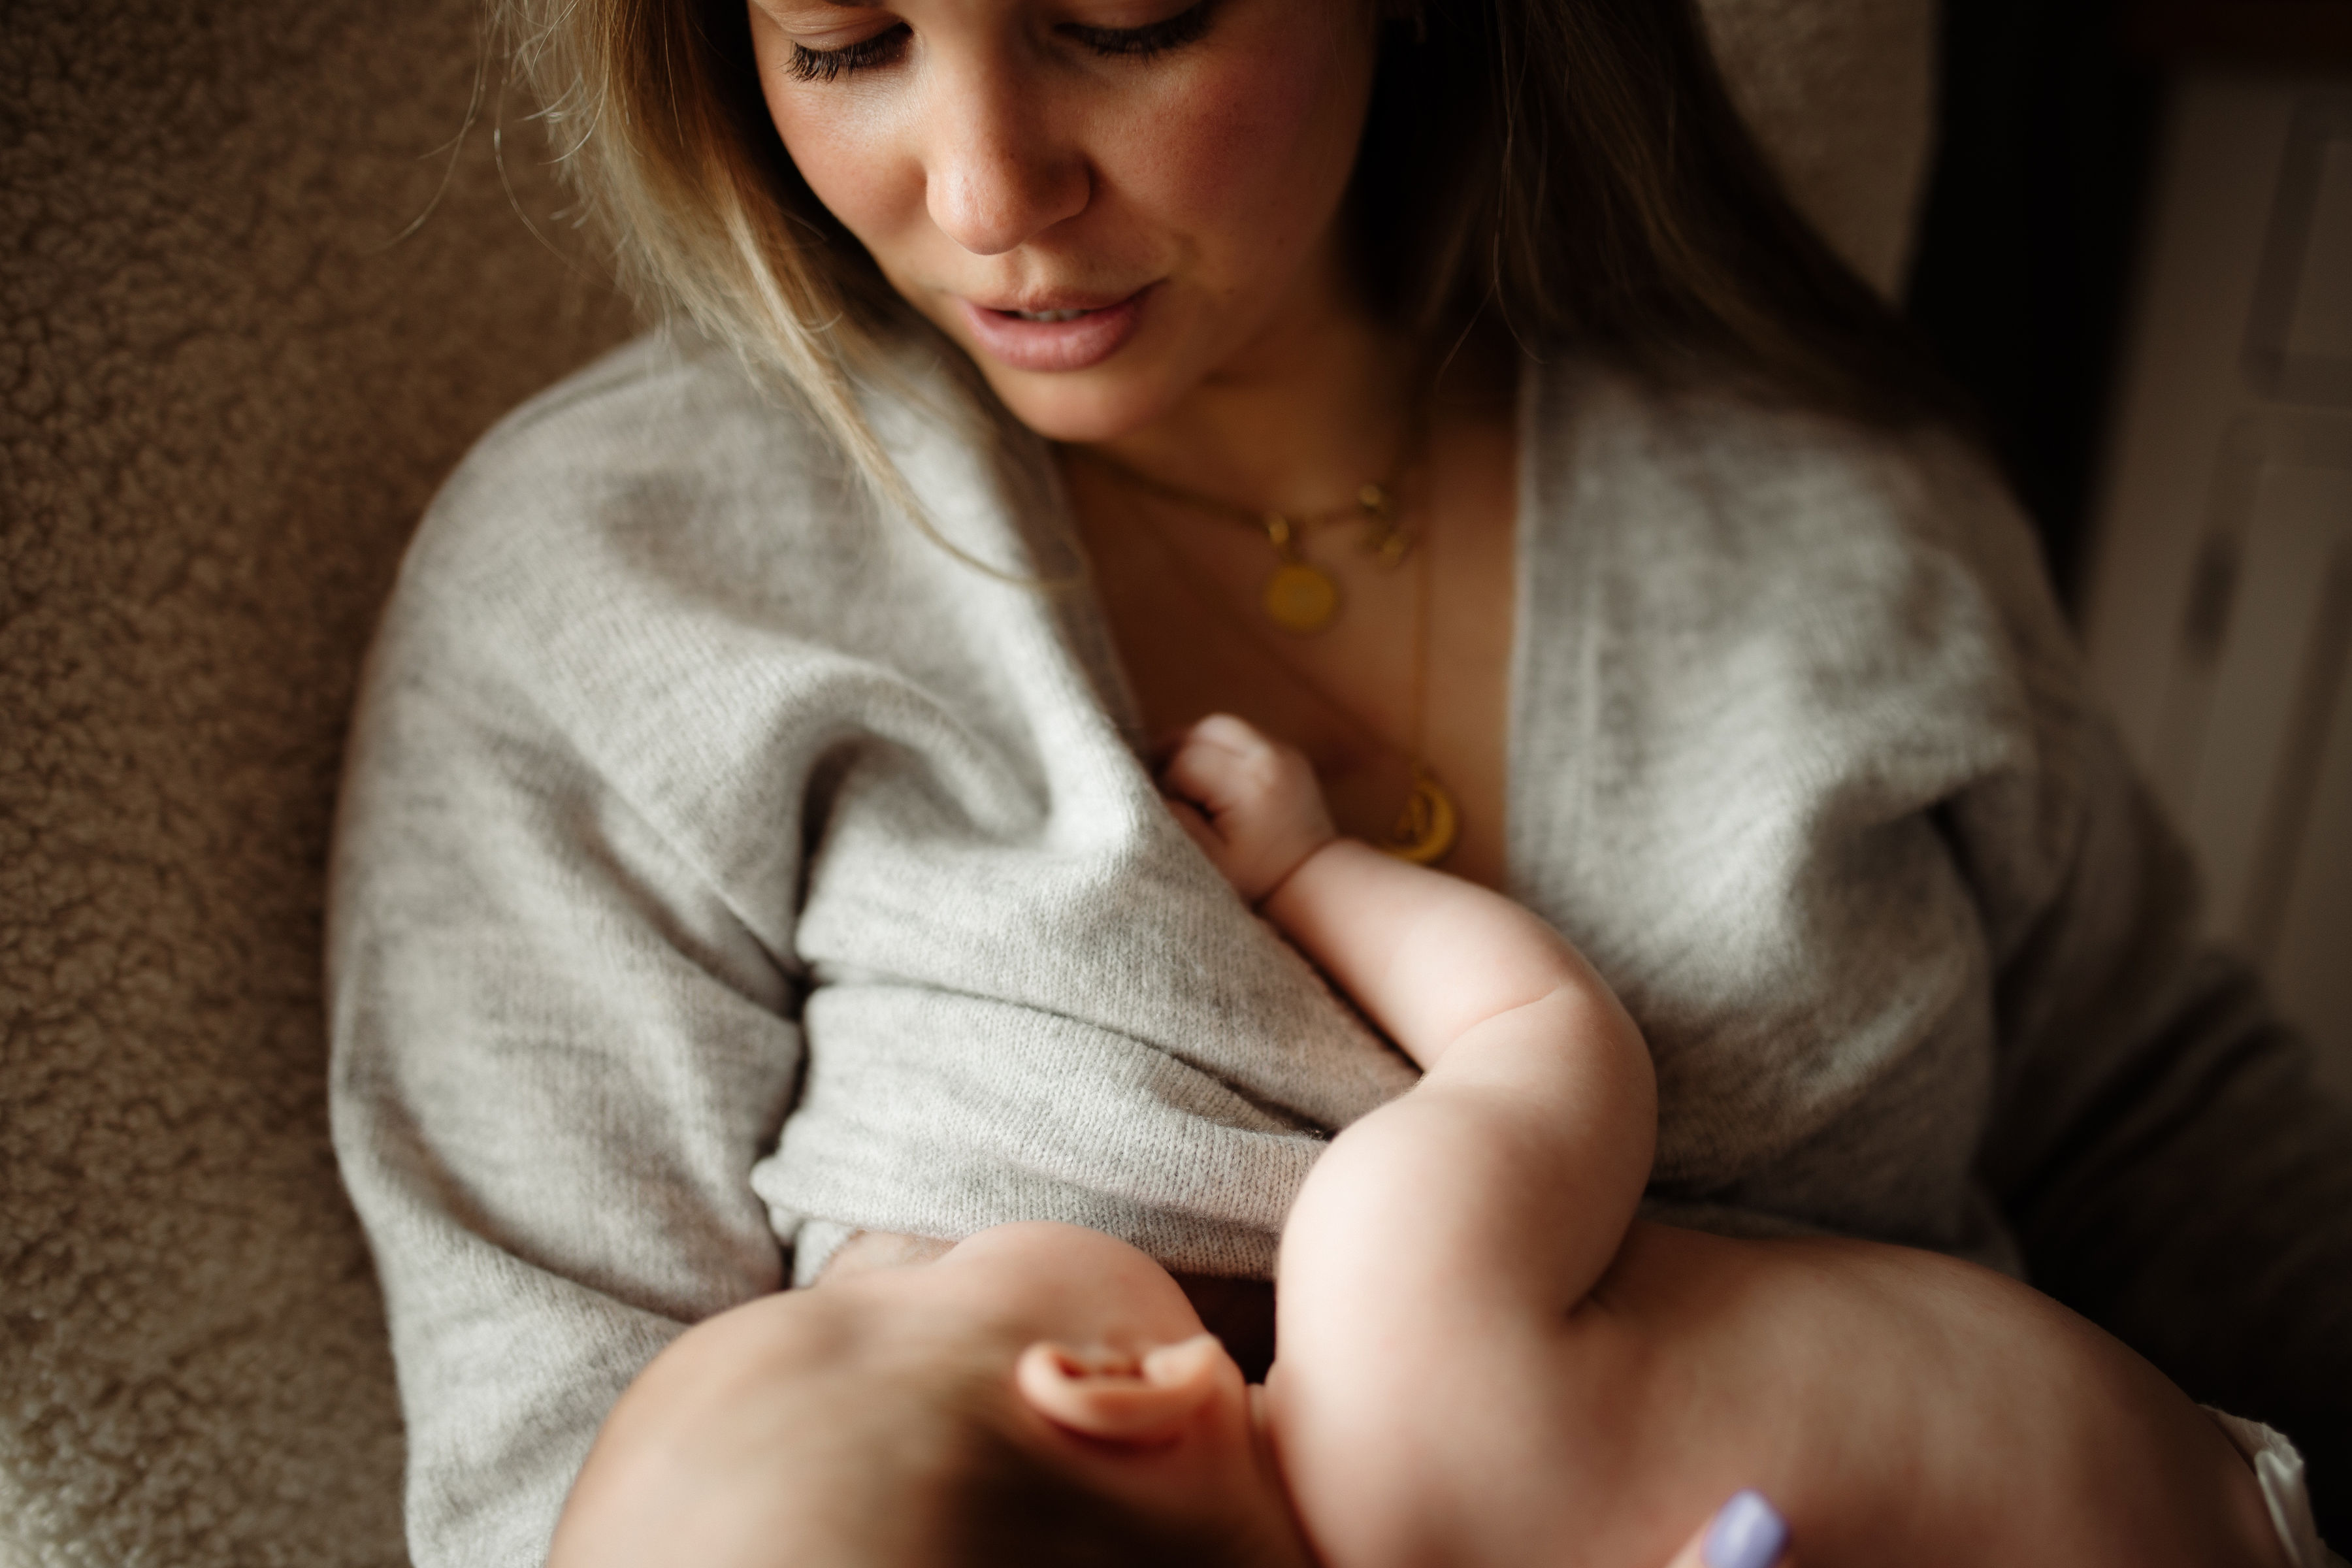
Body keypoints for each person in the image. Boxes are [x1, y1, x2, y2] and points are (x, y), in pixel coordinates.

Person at [327, 0, 2352, 1562]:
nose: (988, 191)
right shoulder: (623, 580)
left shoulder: (1842, 508)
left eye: (1125, 20)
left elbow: (2171, 1135)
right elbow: (563, 1489)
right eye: (843, 43)